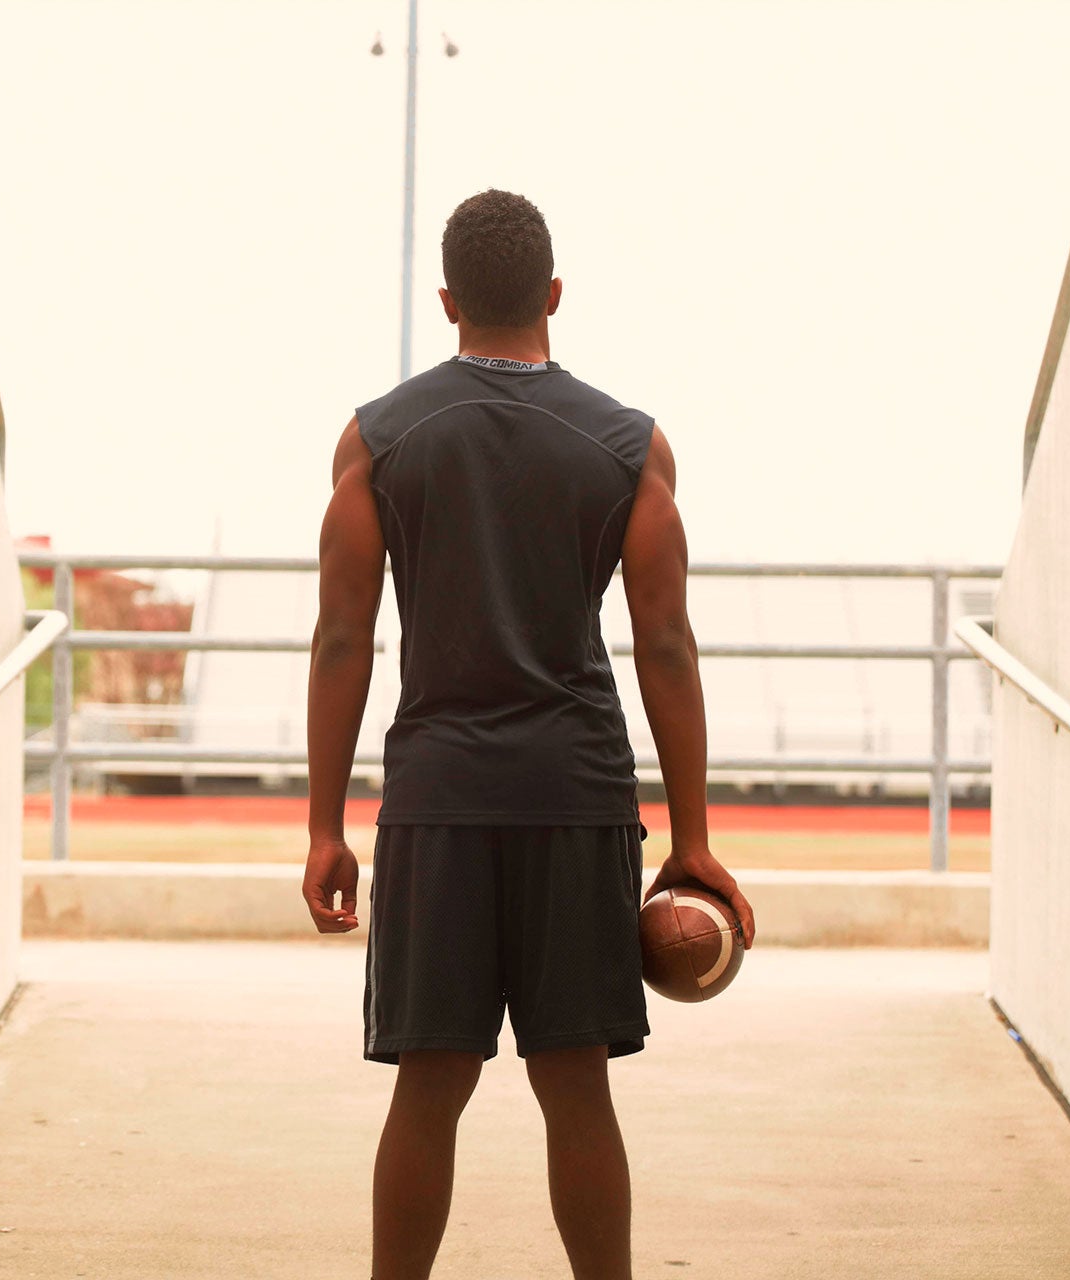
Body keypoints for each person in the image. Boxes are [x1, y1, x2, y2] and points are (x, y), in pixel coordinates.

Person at [302, 188, 756, 1279]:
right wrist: (691, 837)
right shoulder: (630, 448)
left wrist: (324, 826)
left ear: (450, 300)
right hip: (576, 797)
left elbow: (339, 641)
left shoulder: (376, 440)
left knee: (430, 1081)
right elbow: (668, 645)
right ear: (554, 295)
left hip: (440, 803)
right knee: (576, 1082)